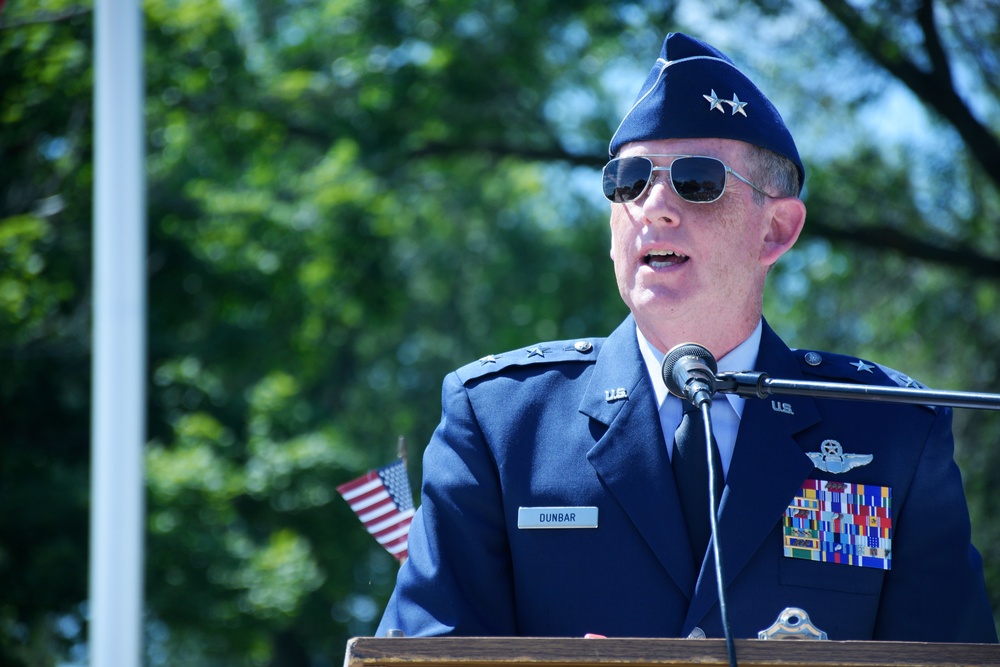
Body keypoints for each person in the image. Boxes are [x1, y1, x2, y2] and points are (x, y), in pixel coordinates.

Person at [375, 32, 997, 642]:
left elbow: (952, 658)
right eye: (629, 181)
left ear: (777, 228)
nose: (655, 205)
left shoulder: (890, 430)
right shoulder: (501, 422)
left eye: (698, 181)